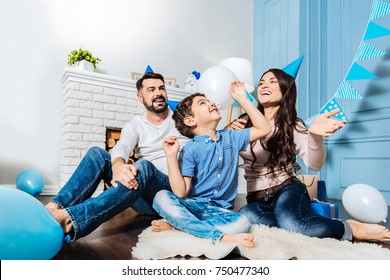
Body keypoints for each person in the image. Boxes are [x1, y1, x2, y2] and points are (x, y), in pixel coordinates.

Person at [227, 68, 390, 242]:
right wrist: (226, 134)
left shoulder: (292, 125)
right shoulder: (243, 123)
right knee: (245, 218)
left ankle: (349, 227)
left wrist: (315, 136)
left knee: (292, 224)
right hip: (256, 197)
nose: (264, 86)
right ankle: (306, 219)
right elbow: (220, 159)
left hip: (286, 189)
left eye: (273, 82)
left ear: (285, 90)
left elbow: (315, 165)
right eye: (262, 82)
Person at [46, 72, 189, 242]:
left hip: (169, 192)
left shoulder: (182, 120)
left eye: (161, 88)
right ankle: (54, 208)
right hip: (141, 197)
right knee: (96, 153)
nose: (158, 93)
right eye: (151, 90)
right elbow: (122, 145)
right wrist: (118, 166)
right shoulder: (136, 124)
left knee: (143, 166)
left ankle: (71, 220)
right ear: (140, 97)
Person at [151, 81, 271, 248]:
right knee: (161, 197)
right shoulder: (190, 150)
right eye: (203, 103)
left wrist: (243, 100)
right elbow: (180, 192)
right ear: (190, 120)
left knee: (243, 222)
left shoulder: (232, 137)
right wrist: (171, 156)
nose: (211, 103)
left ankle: (181, 227)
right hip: (192, 206)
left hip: (220, 212)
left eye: (209, 101)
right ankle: (219, 237)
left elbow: (264, 128)